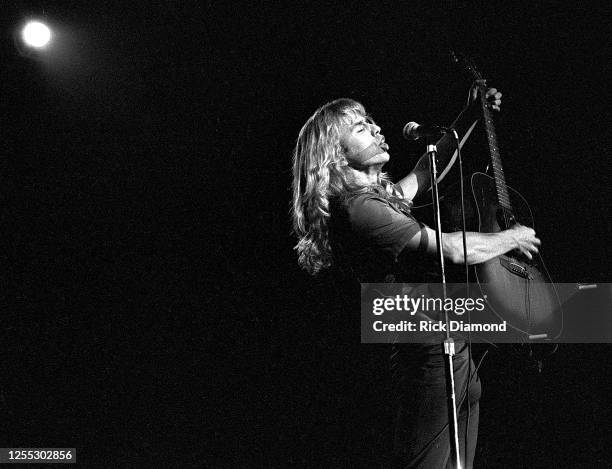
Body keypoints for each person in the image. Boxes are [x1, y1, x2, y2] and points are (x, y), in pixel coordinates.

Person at [291, 85, 541, 468]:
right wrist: (510, 237)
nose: (376, 130)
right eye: (360, 127)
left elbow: (427, 171)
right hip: (426, 354)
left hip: (451, 349)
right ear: (335, 154)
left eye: (372, 122)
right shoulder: (361, 211)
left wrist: (470, 114)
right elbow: (453, 249)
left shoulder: (380, 198)